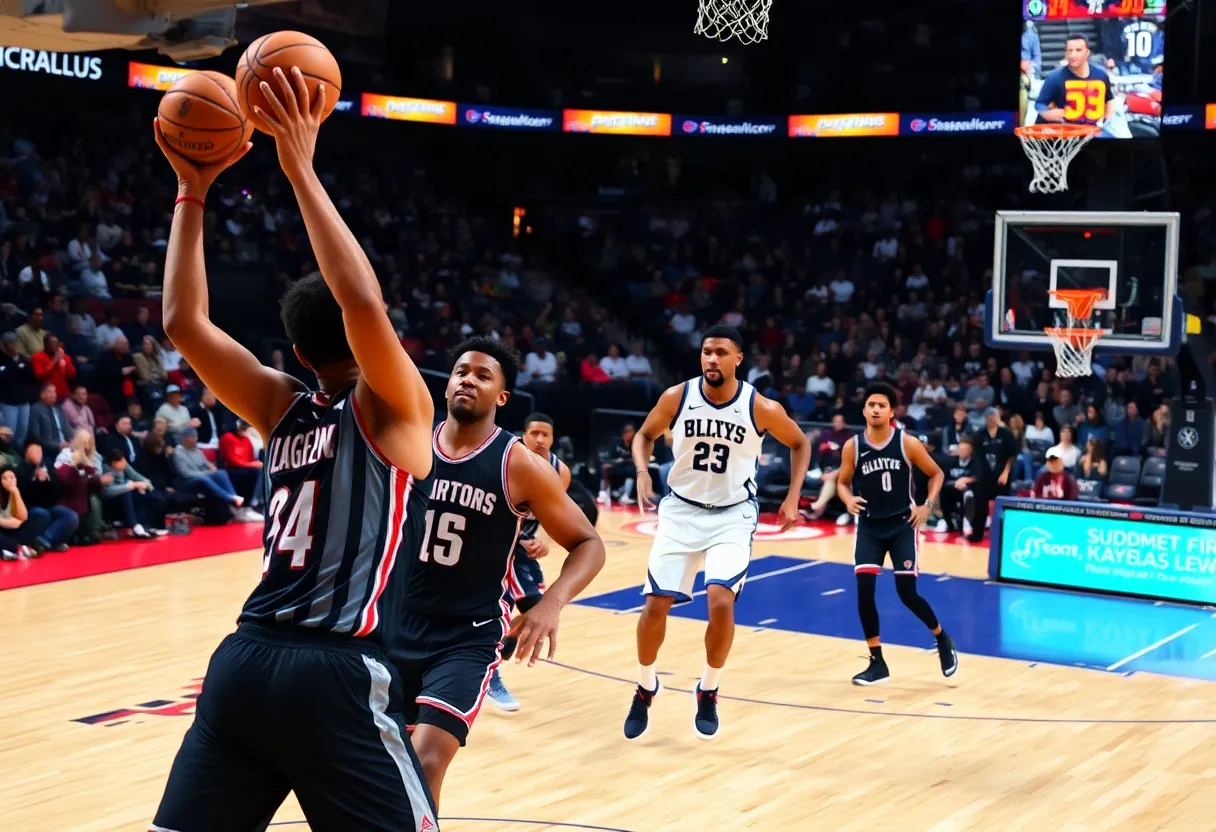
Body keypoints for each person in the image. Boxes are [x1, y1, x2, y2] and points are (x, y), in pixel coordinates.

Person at [148, 66, 439, 831]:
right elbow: (363, 302)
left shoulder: (280, 407)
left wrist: (192, 188)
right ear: (363, 345)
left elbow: (183, 323)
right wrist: (299, 165)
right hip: (333, 673)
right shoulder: (395, 407)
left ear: (299, 353)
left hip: (242, 666)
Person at [393, 337, 604, 810]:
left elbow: (589, 543)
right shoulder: (408, 441)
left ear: (501, 398)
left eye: (483, 375)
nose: (469, 379)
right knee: (383, 765)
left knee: (426, 762)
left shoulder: (519, 464)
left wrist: (551, 604)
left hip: (466, 636)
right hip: (391, 623)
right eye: (461, 371)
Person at [623, 325, 811, 741]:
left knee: (720, 600)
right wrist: (641, 470)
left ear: (738, 359)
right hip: (681, 511)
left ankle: (708, 689)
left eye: (721, 352)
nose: (711, 359)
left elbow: (801, 444)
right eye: (707, 351)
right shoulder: (677, 396)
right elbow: (643, 435)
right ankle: (645, 684)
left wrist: (794, 496)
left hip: (732, 515)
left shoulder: (759, 406)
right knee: (656, 605)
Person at [836, 382, 957, 686]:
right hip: (870, 527)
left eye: (881, 405)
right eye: (871, 405)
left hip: (903, 525)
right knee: (864, 592)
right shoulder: (853, 446)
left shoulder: (908, 443)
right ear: (864, 410)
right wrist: (848, 499)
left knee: (907, 594)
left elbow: (937, 474)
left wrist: (928, 505)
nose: (875, 409)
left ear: (891, 411)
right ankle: (877, 662)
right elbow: (842, 482)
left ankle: (942, 638)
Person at [485, 411, 573, 713]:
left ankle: (489, 659)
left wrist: (544, 542)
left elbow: (555, 516)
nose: (539, 439)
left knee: (533, 616)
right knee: (527, 608)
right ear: (523, 434)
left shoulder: (560, 472)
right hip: (499, 546)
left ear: (552, 438)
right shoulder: (510, 460)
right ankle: (490, 674)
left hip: (524, 551)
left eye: (545, 435)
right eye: (533, 433)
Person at [1035, 35, 1115, 128]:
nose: (1073, 55)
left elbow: (1109, 98)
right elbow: (1040, 103)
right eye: (1070, 51)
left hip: (1093, 129)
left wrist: (1106, 120)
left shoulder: (1101, 75)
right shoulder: (1055, 77)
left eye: (1078, 50)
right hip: (1065, 132)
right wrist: (1049, 114)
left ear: (1087, 53)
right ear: (1065, 54)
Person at [937, 436, 978, 534]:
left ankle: (967, 523)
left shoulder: (976, 462)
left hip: (968, 490)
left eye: (965, 449)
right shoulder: (950, 461)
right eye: (961, 449)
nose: (962, 451)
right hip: (952, 488)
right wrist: (956, 483)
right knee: (942, 491)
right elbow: (943, 478)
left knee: (968, 493)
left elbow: (980, 478)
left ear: (970, 450)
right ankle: (947, 522)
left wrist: (967, 480)